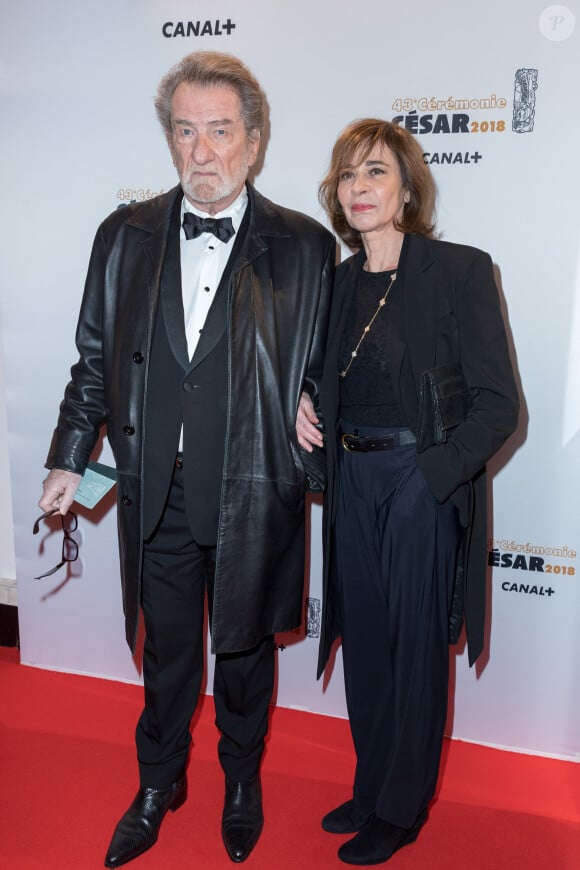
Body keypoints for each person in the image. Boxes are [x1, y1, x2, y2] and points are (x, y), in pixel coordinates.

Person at [38, 51, 334, 867]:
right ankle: (156, 785)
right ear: (169, 139)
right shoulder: (123, 235)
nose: (201, 153)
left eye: (220, 132)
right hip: (153, 496)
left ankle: (242, 781)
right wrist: (70, 456)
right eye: (185, 132)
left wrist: (314, 400)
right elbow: (94, 363)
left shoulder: (305, 246)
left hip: (250, 493)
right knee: (167, 655)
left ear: (255, 140)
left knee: (241, 655)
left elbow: (325, 365)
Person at [298, 119, 519, 865]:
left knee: (414, 648)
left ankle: (402, 806)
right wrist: (305, 403)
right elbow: (326, 375)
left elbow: (498, 403)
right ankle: (372, 783)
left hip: (419, 481)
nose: (359, 188)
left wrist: (434, 476)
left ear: (407, 189)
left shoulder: (457, 271)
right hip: (351, 481)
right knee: (364, 643)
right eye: (348, 176)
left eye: (376, 173)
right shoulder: (331, 282)